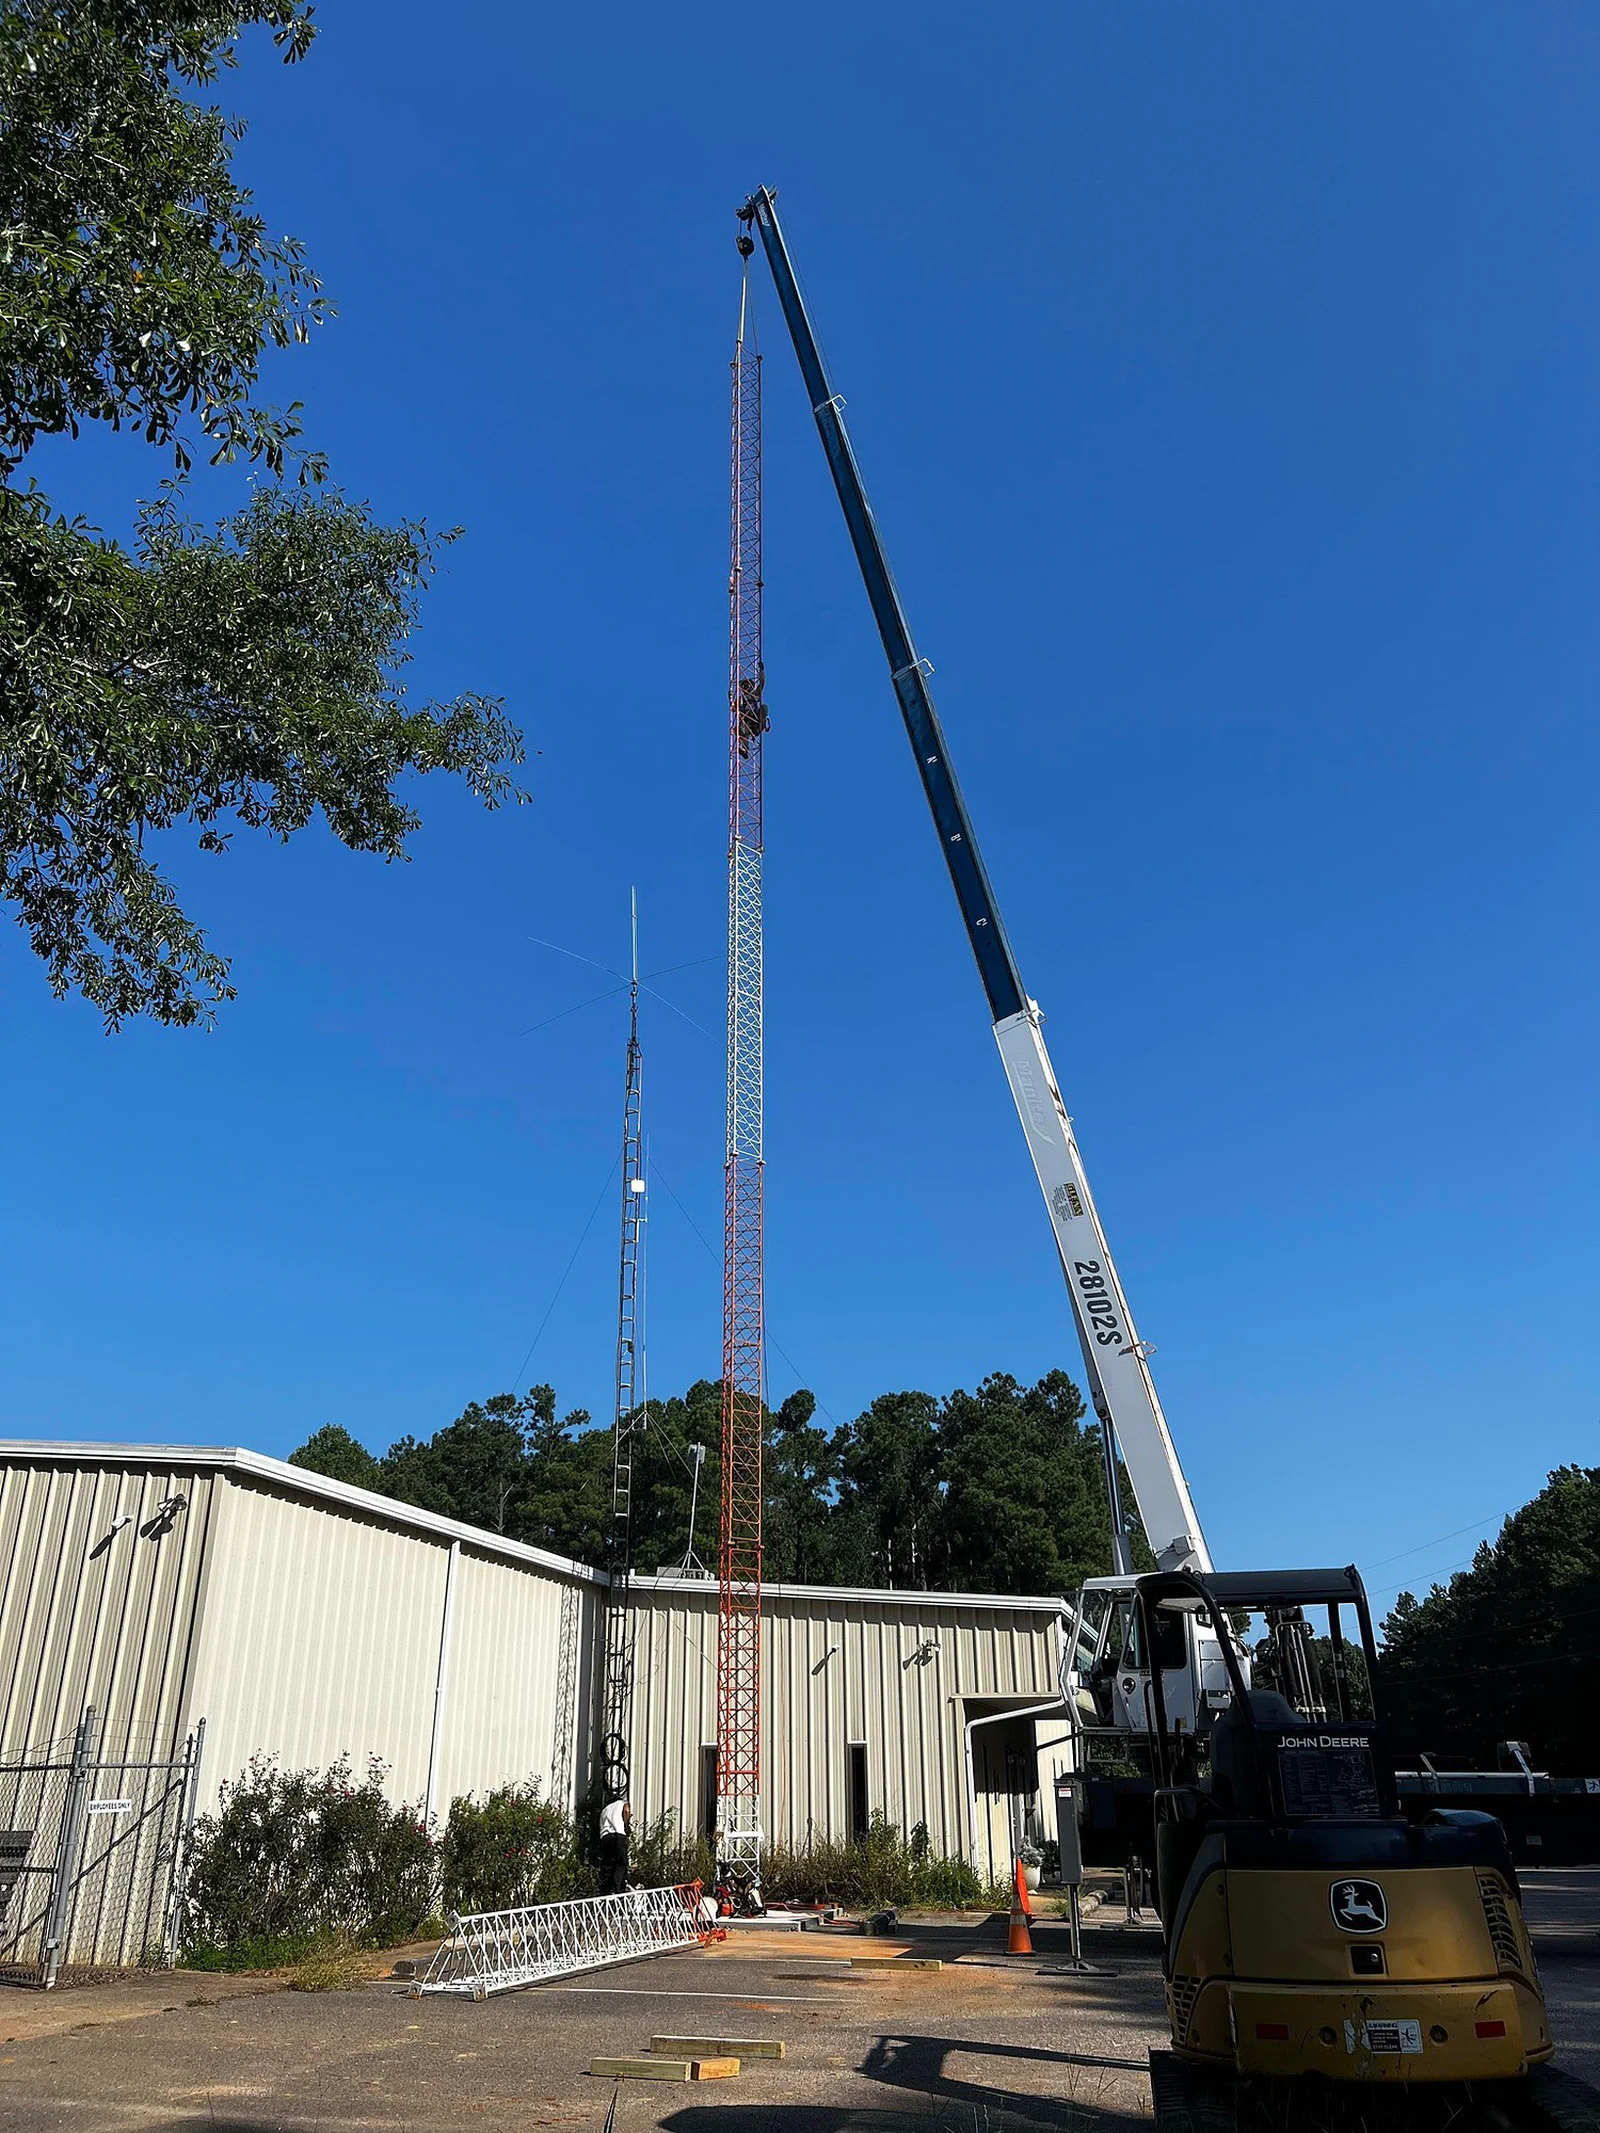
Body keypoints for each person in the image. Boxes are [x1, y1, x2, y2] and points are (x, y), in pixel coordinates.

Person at [599, 1790, 631, 1894]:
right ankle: (616, 1890)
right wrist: (627, 1825)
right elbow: (626, 1810)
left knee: (607, 1865)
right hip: (618, 1834)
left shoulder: (604, 1810)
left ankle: (604, 1892)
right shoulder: (621, 1803)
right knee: (621, 1863)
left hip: (605, 1837)